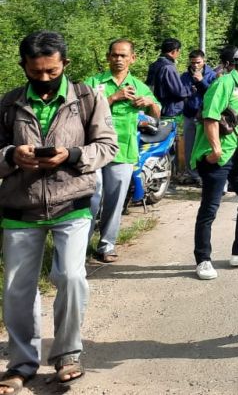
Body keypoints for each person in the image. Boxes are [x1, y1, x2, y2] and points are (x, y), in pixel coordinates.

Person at [0, 31, 118, 389]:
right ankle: (22, 363)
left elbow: (107, 146)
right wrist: (10, 156)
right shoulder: (8, 104)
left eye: (52, 71)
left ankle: (67, 354)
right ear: (24, 67)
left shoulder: (87, 98)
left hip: (72, 203)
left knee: (70, 276)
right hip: (20, 208)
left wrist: (74, 155)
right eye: (36, 73)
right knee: (18, 289)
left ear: (65, 64)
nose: (46, 79)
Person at [189, 45, 238, 282]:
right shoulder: (223, 84)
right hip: (218, 157)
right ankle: (203, 259)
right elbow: (210, 117)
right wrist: (214, 150)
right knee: (210, 209)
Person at [83, 39, 160, 263]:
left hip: (123, 150)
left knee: (115, 201)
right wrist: (114, 97)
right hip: (94, 149)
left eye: (123, 56)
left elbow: (156, 114)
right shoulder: (94, 82)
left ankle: (106, 245)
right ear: (108, 57)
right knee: (91, 198)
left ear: (132, 59)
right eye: (114, 55)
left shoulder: (139, 85)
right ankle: (80, 246)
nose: (118, 59)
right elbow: (81, 111)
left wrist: (149, 102)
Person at [146, 38, 190, 176]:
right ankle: (169, 174)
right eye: (178, 52)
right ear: (174, 52)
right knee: (169, 143)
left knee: (156, 140)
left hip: (155, 109)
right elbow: (177, 91)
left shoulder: (154, 65)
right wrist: (190, 90)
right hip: (170, 110)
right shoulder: (169, 67)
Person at [180, 49, 216, 186]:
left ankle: (204, 174)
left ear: (204, 61)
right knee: (189, 146)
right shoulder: (184, 76)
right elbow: (181, 92)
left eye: (198, 62)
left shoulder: (212, 75)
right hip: (189, 115)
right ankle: (192, 174)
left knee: (204, 146)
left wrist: (201, 82)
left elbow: (214, 94)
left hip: (205, 117)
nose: (195, 65)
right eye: (193, 62)